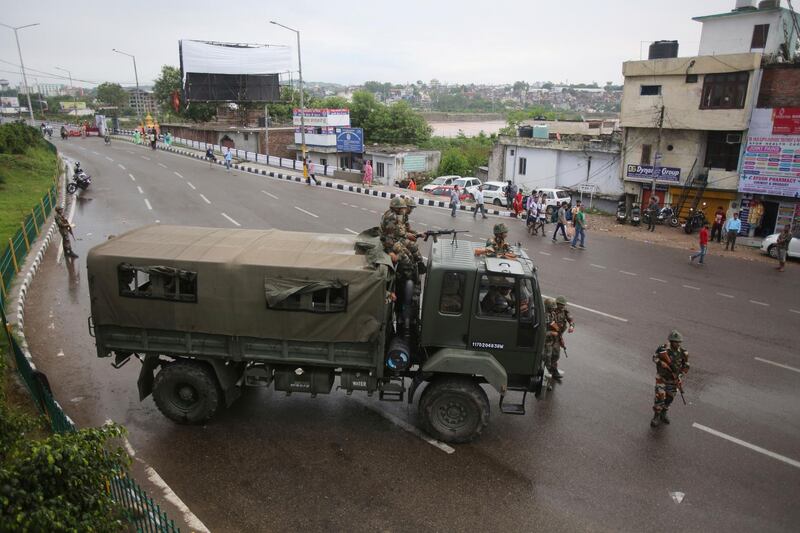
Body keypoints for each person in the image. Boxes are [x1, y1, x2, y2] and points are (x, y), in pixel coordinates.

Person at [651, 330, 689, 428]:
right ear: (671, 341)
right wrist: (661, 363)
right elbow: (654, 358)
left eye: (679, 342)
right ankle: (656, 416)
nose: (678, 344)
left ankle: (664, 413)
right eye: (676, 342)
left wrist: (680, 375)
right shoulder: (663, 349)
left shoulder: (684, 353)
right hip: (662, 378)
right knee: (660, 397)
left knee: (670, 398)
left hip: (674, 380)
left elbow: (686, 366)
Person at [380, 197, 417, 280]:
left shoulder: (392, 214)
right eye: (403, 208)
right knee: (406, 260)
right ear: (397, 208)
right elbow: (389, 236)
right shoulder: (391, 217)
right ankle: (404, 279)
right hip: (389, 243)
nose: (404, 209)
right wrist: (390, 252)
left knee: (409, 255)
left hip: (393, 241)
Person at [550, 295, 574, 379]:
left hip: (557, 336)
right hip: (549, 334)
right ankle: (548, 369)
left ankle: (553, 369)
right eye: (560, 304)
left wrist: (571, 326)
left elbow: (571, 319)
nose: (562, 306)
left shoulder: (565, 312)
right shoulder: (551, 310)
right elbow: (549, 321)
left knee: (556, 354)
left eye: (563, 305)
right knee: (547, 353)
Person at [542, 298, 559, 380]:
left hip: (551, 341)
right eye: (552, 308)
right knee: (546, 360)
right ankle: (544, 380)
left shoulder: (551, 314)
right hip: (544, 343)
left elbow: (552, 323)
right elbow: (542, 333)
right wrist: (552, 333)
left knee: (552, 358)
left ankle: (548, 376)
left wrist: (556, 329)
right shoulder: (544, 315)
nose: (554, 309)